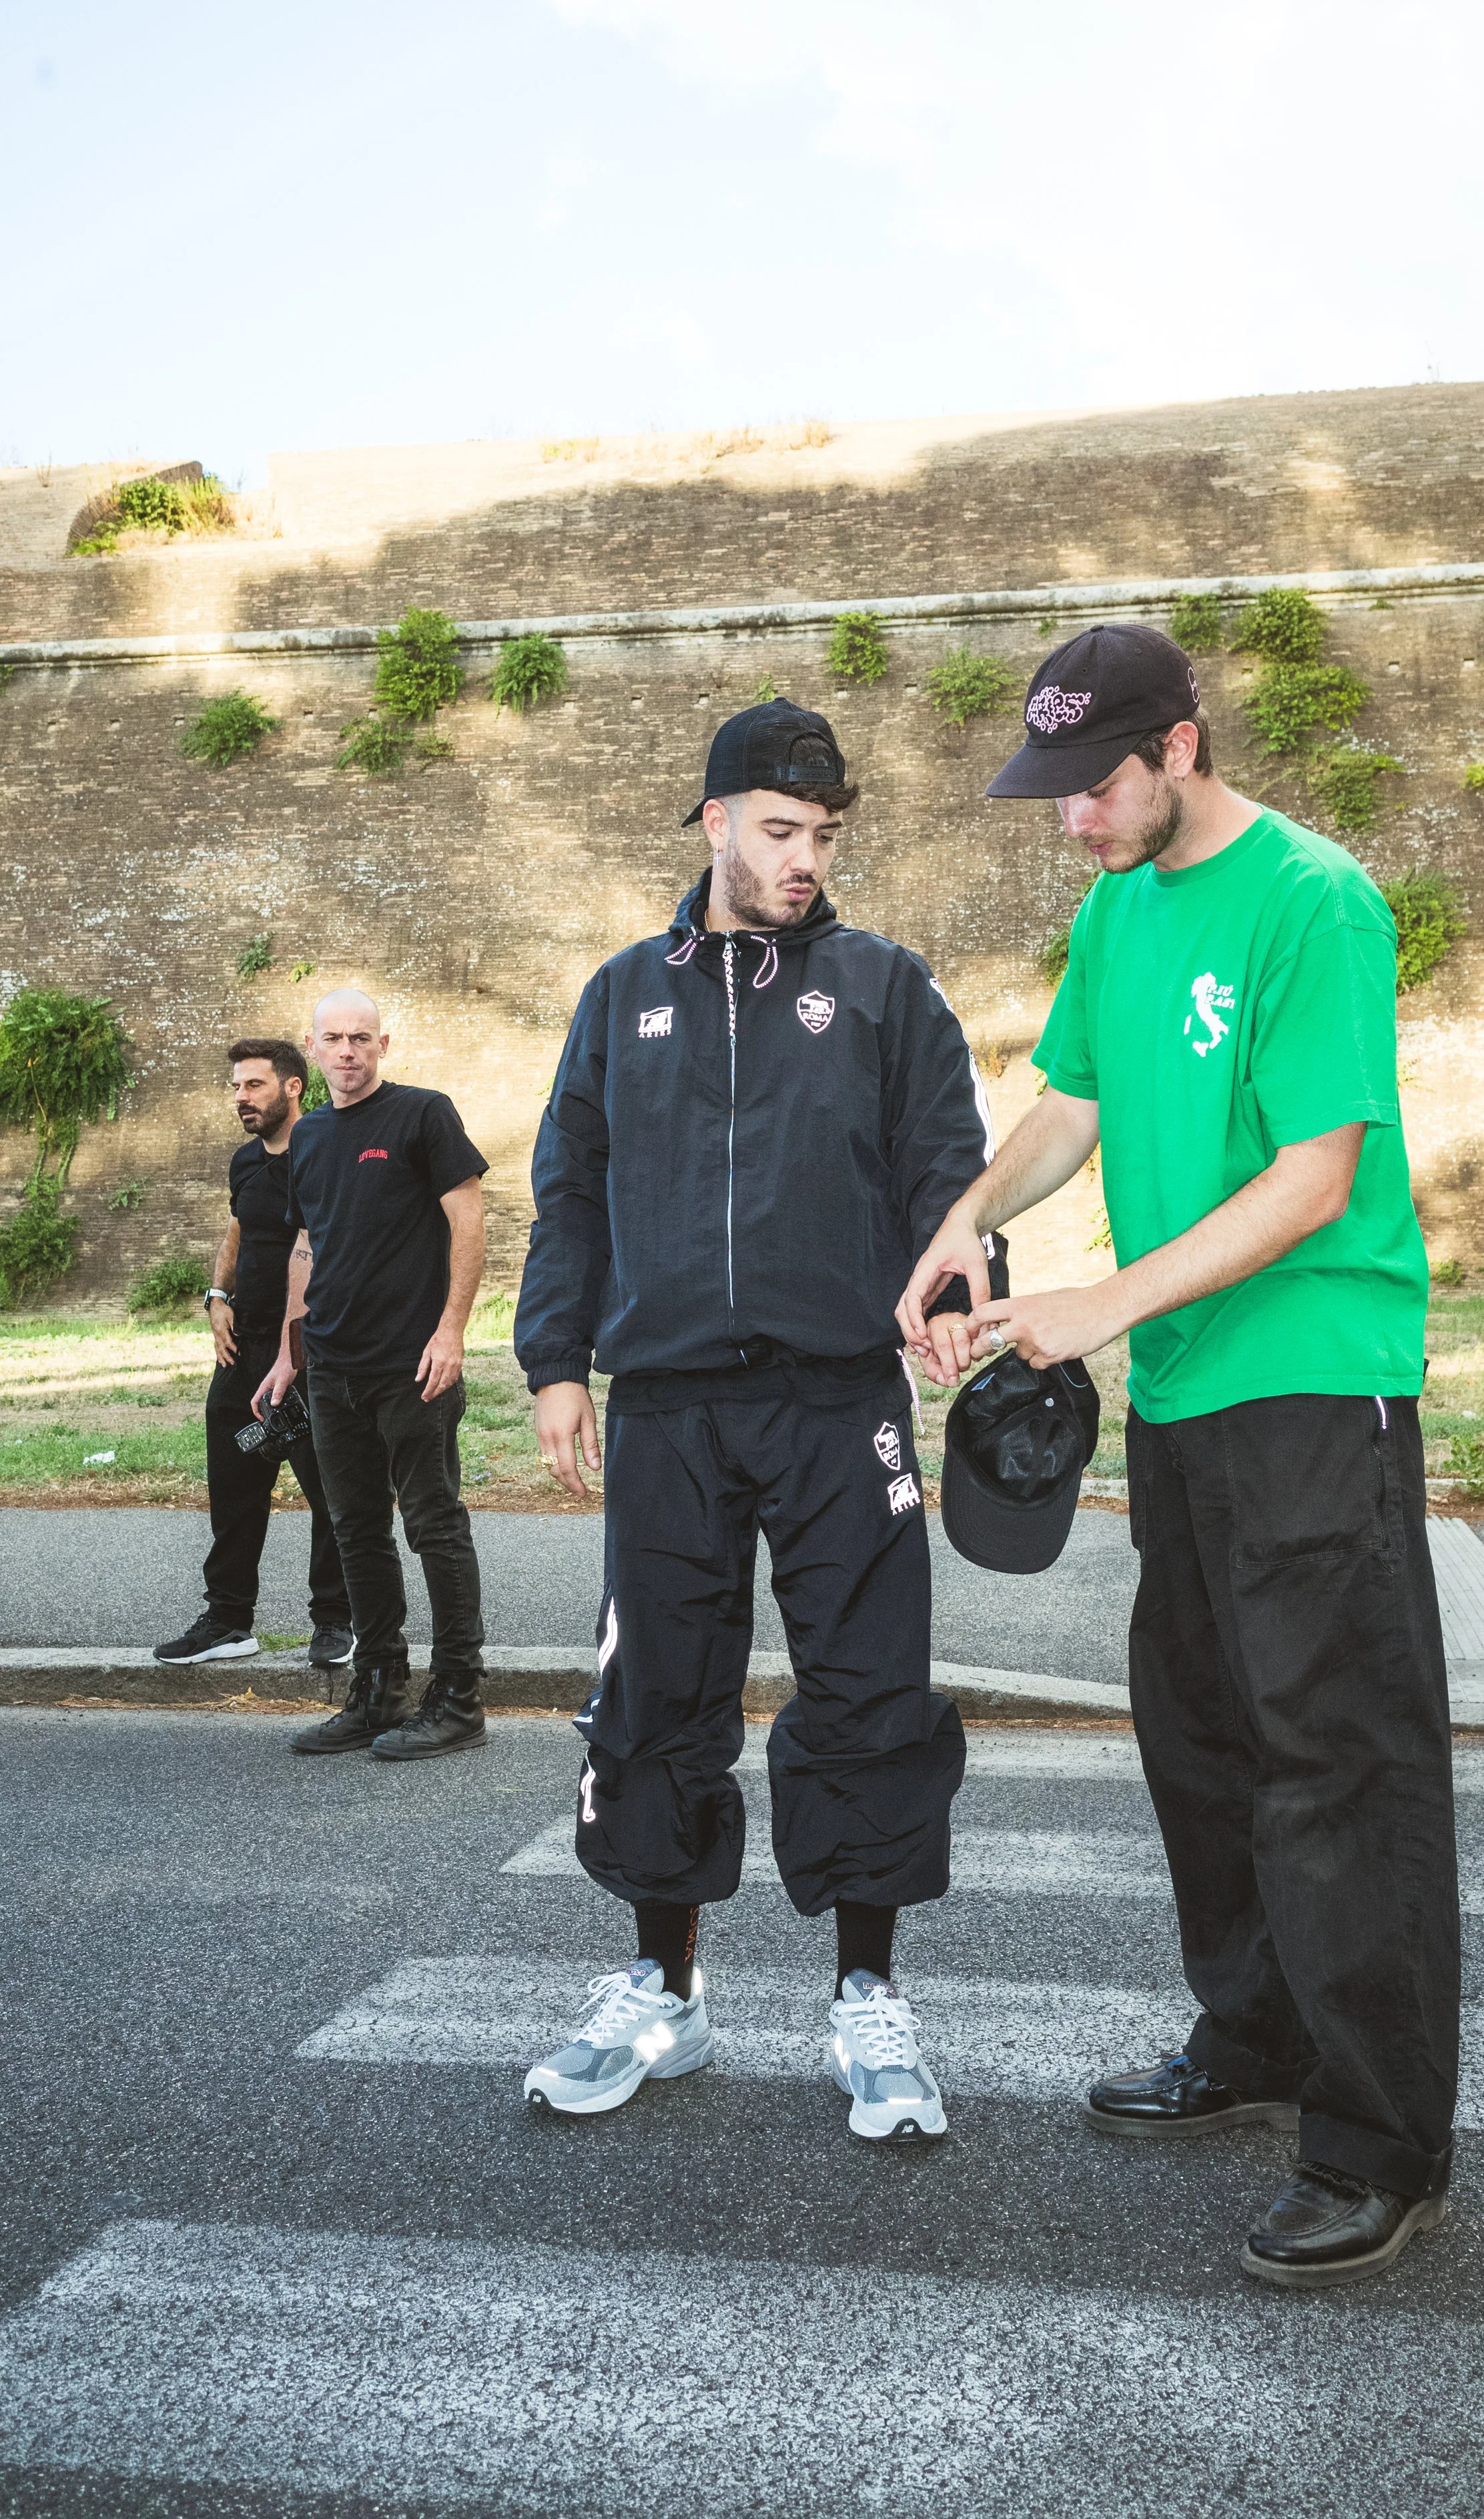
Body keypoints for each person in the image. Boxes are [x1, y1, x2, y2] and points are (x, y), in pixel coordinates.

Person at [899, 623, 1459, 2286]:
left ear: (1181, 748)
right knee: (1205, 1745)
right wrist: (966, 1224)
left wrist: (1094, 1303)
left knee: (1338, 1766)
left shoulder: (1314, 900)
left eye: (1093, 786)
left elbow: (1314, 1174)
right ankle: (1258, 2036)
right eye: (1054, 791)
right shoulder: (1119, 906)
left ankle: (1381, 2146)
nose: (1070, 817)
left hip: (1314, 1384)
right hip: (1191, 1400)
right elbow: (1070, 1103)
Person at [513, 699, 1000, 2141]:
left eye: (822, 835)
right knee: (658, 1693)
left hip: (838, 1393)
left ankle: (866, 2003)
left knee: (863, 1690)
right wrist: (555, 1362)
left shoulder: (879, 986)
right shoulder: (621, 994)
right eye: (779, 830)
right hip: (666, 1402)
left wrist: (966, 1287)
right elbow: (571, 1190)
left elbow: (945, 1171)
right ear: (713, 821)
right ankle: (661, 1991)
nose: (803, 859)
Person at [254, 989, 492, 1764]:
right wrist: (291, 1353)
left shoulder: (424, 1115)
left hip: (411, 1365)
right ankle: (378, 1689)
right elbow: (307, 1247)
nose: (349, 1051)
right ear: (313, 1050)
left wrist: (451, 1330)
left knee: (433, 1527)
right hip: (333, 1367)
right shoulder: (312, 1137)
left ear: (382, 1045)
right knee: (356, 1531)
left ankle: (459, 1699)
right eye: (334, 1039)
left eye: (362, 1038)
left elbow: (468, 1217)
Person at [154, 1040, 352, 1671]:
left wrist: (294, 1349)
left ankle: (335, 1622)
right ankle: (228, 1620)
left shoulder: (322, 1150)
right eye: (237, 1086)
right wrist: (218, 1297)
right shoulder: (245, 1162)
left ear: (293, 1087)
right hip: (243, 1350)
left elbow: (313, 1244)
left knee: (330, 1489)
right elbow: (239, 1227)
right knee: (235, 1484)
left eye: (255, 1086)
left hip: (309, 1350)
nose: (241, 1097)